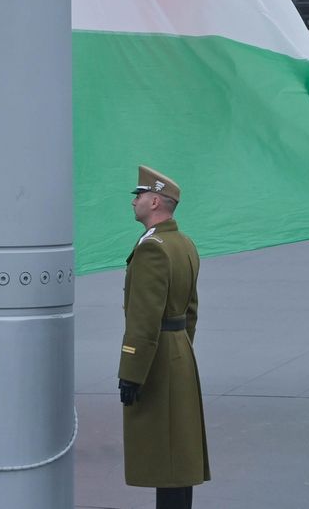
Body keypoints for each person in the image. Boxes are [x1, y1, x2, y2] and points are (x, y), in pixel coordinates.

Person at [120, 166, 209, 509]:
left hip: (154, 360)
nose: (134, 201)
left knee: (165, 455)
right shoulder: (183, 244)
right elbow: (191, 311)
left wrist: (130, 371)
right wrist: (180, 349)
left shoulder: (152, 249)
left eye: (139, 195)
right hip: (179, 354)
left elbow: (143, 319)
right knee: (178, 455)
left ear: (155, 201)